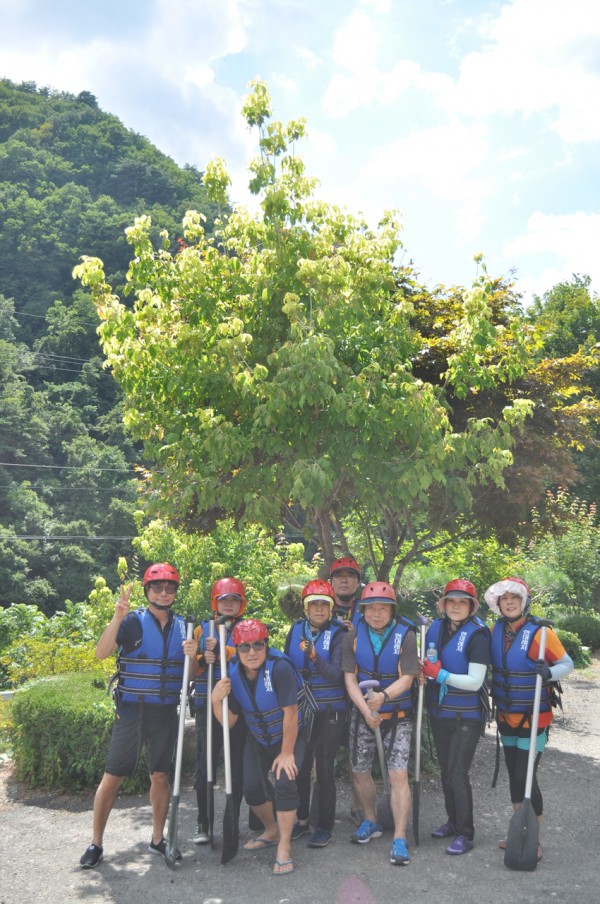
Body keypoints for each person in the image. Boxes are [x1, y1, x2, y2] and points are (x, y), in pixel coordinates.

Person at [79, 563, 195, 869]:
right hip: (131, 710)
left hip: (165, 712)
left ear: (175, 592)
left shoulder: (184, 626)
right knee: (113, 776)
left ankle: (158, 839)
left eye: (170, 587)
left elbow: (191, 674)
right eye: (157, 587)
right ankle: (96, 843)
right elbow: (101, 653)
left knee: (160, 776)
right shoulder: (132, 622)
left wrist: (193, 656)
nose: (164, 593)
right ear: (147, 591)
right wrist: (117, 616)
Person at [485, 577, 574, 862]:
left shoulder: (540, 633)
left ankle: (534, 838)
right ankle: (520, 829)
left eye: (515, 598)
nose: (510, 602)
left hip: (534, 718)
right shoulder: (495, 631)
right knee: (514, 773)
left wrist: (549, 673)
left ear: (524, 602)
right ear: (498, 604)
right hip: (505, 716)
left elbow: (567, 664)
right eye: (505, 599)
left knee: (526, 775)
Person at [212, 619, 307, 876]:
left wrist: (286, 753)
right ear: (237, 649)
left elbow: (290, 713)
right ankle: (272, 830)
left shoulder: (280, 668)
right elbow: (230, 722)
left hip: (289, 734)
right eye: (244, 647)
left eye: (258, 645)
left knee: (284, 779)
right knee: (252, 786)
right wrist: (215, 700)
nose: (252, 652)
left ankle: (285, 846)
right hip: (258, 736)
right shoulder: (231, 673)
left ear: (266, 645)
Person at [343, 581, 419, 866]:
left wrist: (383, 697)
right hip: (363, 712)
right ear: (363, 610)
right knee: (359, 770)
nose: (376, 614)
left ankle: (399, 837)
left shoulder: (406, 635)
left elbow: (407, 678)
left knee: (398, 774)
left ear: (391, 611)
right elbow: (350, 678)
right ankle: (371, 819)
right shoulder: (352, 635)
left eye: (382, 609)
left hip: (397, 714)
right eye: (371, 608)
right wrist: (366, 710)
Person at [421, 579, 491, 855]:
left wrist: (439, 674)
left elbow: (475, 682)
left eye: (463, 602)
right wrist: (423, 674)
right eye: (452, 601)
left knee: (457, 772)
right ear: (444, 604)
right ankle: (452, 821)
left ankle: (466, 833)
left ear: (471, 607)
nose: (456, 606)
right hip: (441, 712)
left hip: (467, 716)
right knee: (445, 771)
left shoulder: (478, 635)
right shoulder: (436, 628)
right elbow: (426, 665)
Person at [284, 580, 347, 848]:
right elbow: (285, 666)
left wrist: (313, 657)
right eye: (314, 604)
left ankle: (324, 826)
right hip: (301, 708)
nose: (319, 608)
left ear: (331, 608)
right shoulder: (295, 630)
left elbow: (337, 675)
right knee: (300, 765)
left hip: (329, 710)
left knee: (323, 768)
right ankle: (301, 821)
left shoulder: (340, 634)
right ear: (306, 608)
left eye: (324, 604)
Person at [190, 577, 247, 844]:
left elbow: (253, 656)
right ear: (215, 602)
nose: (229, 605)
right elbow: (192, 669)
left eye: (234, 600)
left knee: (236, 766)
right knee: (205, 767)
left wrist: (224, 651)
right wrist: (203, 657)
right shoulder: (201, 630)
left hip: (237, 705)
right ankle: (204, 823)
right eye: (224, 600)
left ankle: (232, 822)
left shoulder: (247, 628)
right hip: (206, 705)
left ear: (241, 604)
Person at [330, 556, 362, 626]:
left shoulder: (366, 610)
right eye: (339, 576)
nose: (344, 580)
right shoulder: (322, 609)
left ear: (358, 583)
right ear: (332, 582)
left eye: (350, 576)